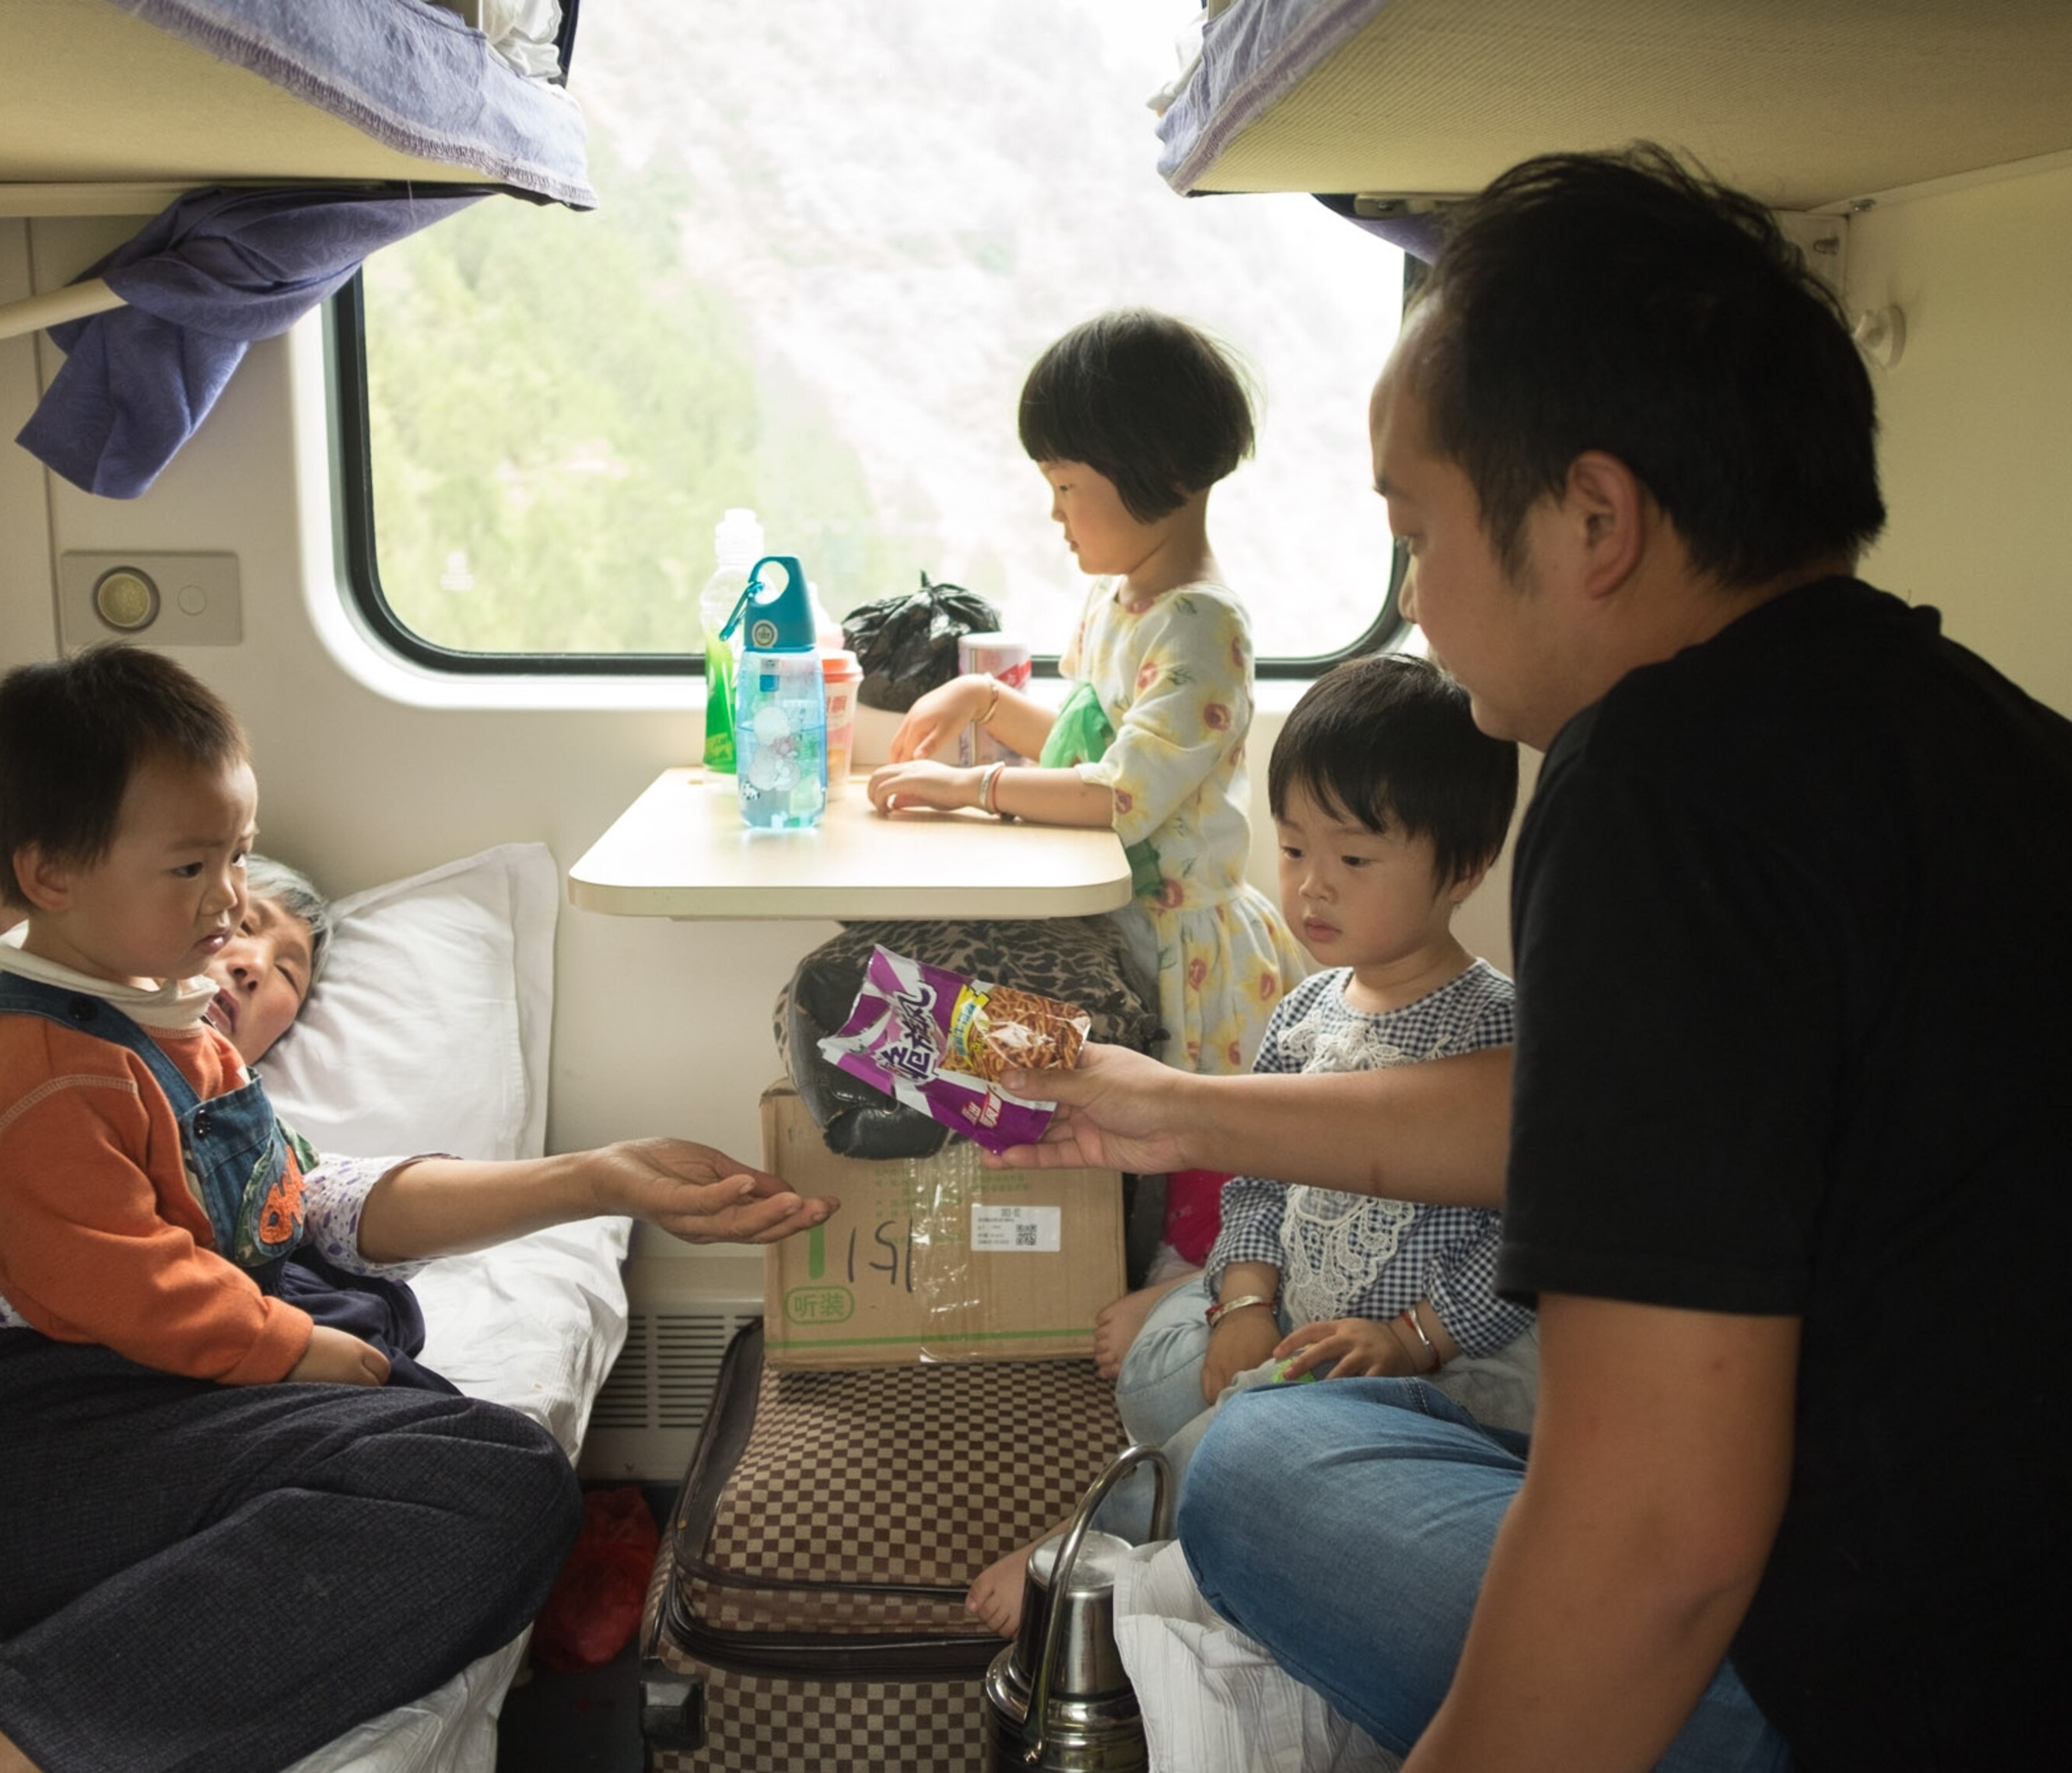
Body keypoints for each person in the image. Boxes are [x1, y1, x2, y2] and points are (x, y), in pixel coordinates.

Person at [989, 144, 2067, 1768]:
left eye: (1416, 533)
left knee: (1258, 1470)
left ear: (1594, 519)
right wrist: (1184, 1112)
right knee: (1312, 1395)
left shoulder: (1661, 781)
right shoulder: (1967, 730)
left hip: (1886, 1687)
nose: (1414, 598)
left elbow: (1663, 1541)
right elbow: (1602, 1110)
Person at [0, 708, 839, 1773]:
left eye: (282, 978)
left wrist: (596, 1179)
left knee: (488, 1478)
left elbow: (331, 1202)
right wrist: (30, 914)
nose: (245, 957)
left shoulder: (212, 1117)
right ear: (77, 870)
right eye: (222, 911)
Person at [967, 651, 1528, 1634]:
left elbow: (1525, 1240)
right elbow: (1259, 1189)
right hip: (1298, 1311)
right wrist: (1246, 1300)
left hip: (1430, 1357)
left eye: (1354, 861)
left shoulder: (1494, 1032)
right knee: (1162, 1370)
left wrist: (1411, 1338)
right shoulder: (1306, 1010)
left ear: (1466, 866)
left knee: (1258, 1416)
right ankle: (1209, 1358)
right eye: (1295, 848)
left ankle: (1099, 1538)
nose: (1313, 889)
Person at [868, 307, 1302, 1284]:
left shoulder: (1199, 628)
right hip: (1119, 918)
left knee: (1200, 1168)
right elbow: (1086, 738)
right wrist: (983, 698)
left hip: (1183, 944)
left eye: (1067, 488)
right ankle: (1013, 1210)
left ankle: (1183, 1293)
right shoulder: (1124, 599)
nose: (1055, 516)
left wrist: (972, 785)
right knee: (912, 998)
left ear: (1163, 477)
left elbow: (1118, 795)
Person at [0, 645, 416, 1390]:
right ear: (51, 874)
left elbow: (276, 1183)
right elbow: (130, 1280)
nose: (226, 897)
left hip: (227, 1313)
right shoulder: (46, 1076)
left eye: (240, 856)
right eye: (192, 867)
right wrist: (288, 1346)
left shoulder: (164, 1006)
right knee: (486, 1465)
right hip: (125, 1375)